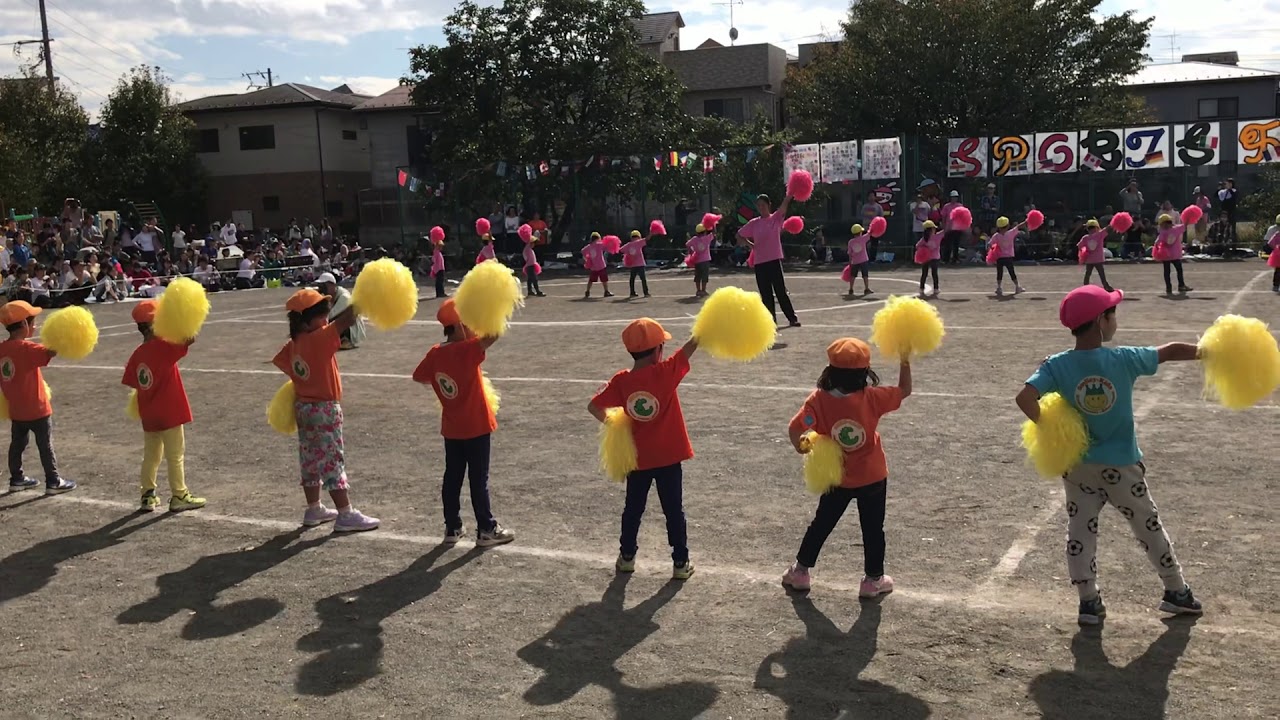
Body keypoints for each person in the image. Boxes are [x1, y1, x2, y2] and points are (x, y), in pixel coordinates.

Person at [1015, 285, 1203, 625]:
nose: (1115, 320)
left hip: (1079, 466)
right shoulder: (1123, 358)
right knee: (1147, 525)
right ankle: (1176, 591)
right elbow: (1170, 351)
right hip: (1122, 465)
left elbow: (1024, 398)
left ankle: (1088, 601)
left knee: (1080, 531)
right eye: (1112, 314)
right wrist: (1207, 351)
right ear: (1101, 320)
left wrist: (1055, 431)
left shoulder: (1057, 364)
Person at [781, 338, 911, 596]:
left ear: (830, 370)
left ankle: (801, 571)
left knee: (822, 523)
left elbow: (795, 428)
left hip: (837, 477)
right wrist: (904, 359)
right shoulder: (873, 397)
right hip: (872, 476)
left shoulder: (818, 400)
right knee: (873, 529)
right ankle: (872, 580)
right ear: (865, 372)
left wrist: (803, 447)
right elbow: (904, 390)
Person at [588, 318, 699, 580]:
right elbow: (691, 347)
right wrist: (702, 331)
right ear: (657, 350)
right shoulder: (665, 372)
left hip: (638, 459)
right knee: (674, 510)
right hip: (669, 457)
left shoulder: (621, 381)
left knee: (633, 509)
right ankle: (680, 562)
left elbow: (594, 406)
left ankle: (627, 556)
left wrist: (617, 426)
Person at [272, 289, 379, 532]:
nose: (326, 320)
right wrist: (365, 297)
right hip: (325, 409)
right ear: (306, 321)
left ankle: (314, 508)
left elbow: (282, 361)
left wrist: (304, 381)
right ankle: (345, 513)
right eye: (321, 316)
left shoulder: (295, 343)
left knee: (309, 458)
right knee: (332, 459)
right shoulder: (318, 338)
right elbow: (346, 320)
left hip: (304, 408)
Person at [411, 299, 516, 546]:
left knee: (453, 477)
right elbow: (494, 334)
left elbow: (419, 376)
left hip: (452, 427)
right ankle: (486, 528)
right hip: (476, 425)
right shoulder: (466, 349)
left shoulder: (435, 353)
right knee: (479, 479)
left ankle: (452, 527)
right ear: (459, 325)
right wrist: (496, 308)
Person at [122, 300, 205, 512]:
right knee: (175, 455)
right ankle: (179, 495)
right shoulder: (164, 346)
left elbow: (133, 382)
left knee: (151, 456)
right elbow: (190, 338)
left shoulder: (137, 354)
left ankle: (147, 495)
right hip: (170, 411)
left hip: (149, 413)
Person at [0, 301, 76, 494]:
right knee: (45, 445)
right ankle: (53, 481)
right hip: (37, 409)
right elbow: (49, 352)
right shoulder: (26, 348)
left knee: (17, 444)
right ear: (24, 324)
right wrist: (63, 335)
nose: (35, 326)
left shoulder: (2, 349)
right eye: (33, 322)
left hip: (16, 409)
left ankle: (16, 478)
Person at [737, 193, 801, 327]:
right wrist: (750, 245)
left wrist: (788, 196)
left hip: (774, 260)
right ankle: (771, 322)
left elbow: (783, 207)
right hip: (760, 262)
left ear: (769, 205)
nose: (761, 207)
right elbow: (739, 235)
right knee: (766, 294)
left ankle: (792, 318)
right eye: (759, 205)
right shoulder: (754, 223)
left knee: (780, 291)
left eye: (763, 205)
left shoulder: (775, 219)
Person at [316, 272, 365, 350]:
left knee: (330, 321)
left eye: (324, 286)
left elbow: (330, 316)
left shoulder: (344, 297)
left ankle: (346, 340)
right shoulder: (333, 294)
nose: (322, 289)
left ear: (332, 285)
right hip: (347, 325)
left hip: (353, 330)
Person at [1154, 214, 1192, 296]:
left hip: (1166, 255)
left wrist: (1157, 251)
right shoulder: (1176, 229)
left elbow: (1157, 242)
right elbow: (1185, 225)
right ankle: (1181, 286)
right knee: (1178, 270)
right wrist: (1188, 217)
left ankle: (1169, 288)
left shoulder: (1163, 232)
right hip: (1175, 255)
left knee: (1167, 271)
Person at [988, 216, 1026, 296]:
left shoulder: (996, 236)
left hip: (999, 257)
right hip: (1008, 257)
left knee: (999, 273)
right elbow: (1018, 226)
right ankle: (1017, 287)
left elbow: (990, 244)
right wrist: (1027, 221)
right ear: (1008, 225)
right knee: (1012, 272)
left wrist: (993, 252)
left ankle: (999, 288)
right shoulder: (1010, 233)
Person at [1077, 219, 1113, 292]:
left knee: (1088, 273)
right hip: (1098, 259)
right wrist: (1114, 222)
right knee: (1101, 274)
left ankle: (1085, 286)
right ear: (1097, 227)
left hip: (1089, 259)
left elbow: (1079, 246)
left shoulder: (1085, 238)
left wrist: (1085, 251)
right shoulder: (1100, 234)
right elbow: (1108, 228)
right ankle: (1106, 286)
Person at [686, 224, 714, 297]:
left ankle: (698, 290)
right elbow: (714, 233)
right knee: (704, 276)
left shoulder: (694, 239)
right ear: (704, 231)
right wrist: (713, 224)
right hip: (705, 260)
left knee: (698, 276)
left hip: (697, 260)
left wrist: (691, 252)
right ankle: (703, 290)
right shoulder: (707, 238)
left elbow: (687, 244)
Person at [581, 232, 612, 298]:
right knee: (604, 280)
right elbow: (607, 247)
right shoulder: (599, 244)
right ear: (597, 238)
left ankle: (587, 291)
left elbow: (582, 251)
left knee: (591, 280)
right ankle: (606, 291)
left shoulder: (589, 246)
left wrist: (587, 259)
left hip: (593, 266)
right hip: (601, 265)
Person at [845, 224, 872, 297]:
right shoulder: (863, 238)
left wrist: (850, 262)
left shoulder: (850, 242)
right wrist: (871, 227)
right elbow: (870, 233)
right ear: (860, 232)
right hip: (864, 260)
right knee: (865, 275)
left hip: (855, 261)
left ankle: (851, 289)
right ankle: (866, 289)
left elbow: (850, 253)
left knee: (852, 276)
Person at [915, 221, 941, 297]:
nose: (935, 229)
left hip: (928, 258)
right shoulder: (936, 236)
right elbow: (917, 246)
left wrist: (924, 249)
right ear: (930, 229)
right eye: (933, 228)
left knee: (925, 273)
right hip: (932, 258)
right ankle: (935, 288)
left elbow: (917, 246)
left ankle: (922, 288)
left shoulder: (925, 239)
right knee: (933, 273)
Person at [621, 230, 650, 298]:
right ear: (638, 236)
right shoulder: (639, 242)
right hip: (640, 264)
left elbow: (621, 250)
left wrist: (628, 255)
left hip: (633, 265)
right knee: (643, 279)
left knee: (632, 279)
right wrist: (651, 233)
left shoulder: (628, 244)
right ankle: (646, 293)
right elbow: (647, 239)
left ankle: (632, 292)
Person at [940, 191, 965, 264]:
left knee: (956, 244)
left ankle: (955, 259)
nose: (954, 199)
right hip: (949, 228)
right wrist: (944, 226)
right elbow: (943, 217)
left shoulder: (960, 206)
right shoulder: (946, 206)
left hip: (957, 228)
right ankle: (946, 259)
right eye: (953, 197)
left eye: (955, 197)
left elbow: (963, 216)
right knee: (948, 244)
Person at [1217, 178, 1238, 243]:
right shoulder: (1223, 192)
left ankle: (1233, 243)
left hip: (1231, 213)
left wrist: (1229, 189)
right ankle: (1222, 242)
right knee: (1222, 227)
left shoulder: (1234, 191)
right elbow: (1217, 196)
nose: (1226, 185)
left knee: (1232, 229)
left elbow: (1234, 196)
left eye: (1228, 184)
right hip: (1224, 213)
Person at [430, 232, 447, 299]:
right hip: (439, 269)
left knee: (440, 281)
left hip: (440, 268)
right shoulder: (436, 252)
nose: (441, 247)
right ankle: (440, 293)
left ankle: (440, 293)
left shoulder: (437, 252)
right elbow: (433, 259)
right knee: (439, 281)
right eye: (440, 246)